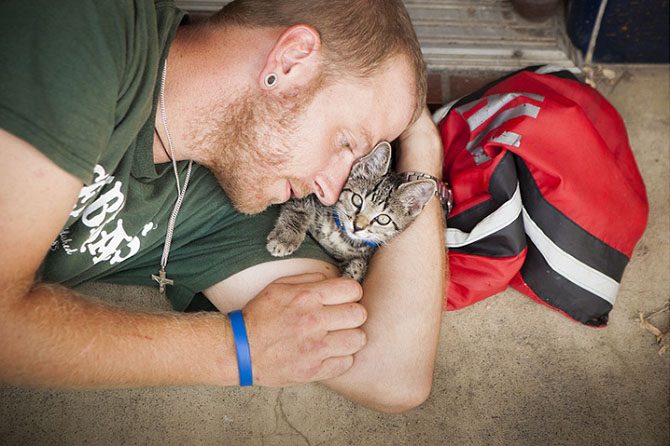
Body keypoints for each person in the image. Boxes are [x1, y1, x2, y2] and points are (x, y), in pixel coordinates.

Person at [0, 0, 445, 413]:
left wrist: (424, 153)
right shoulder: (86, 26)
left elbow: (390, 372)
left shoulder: (235, 194)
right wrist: (235, 349)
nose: (330, 193)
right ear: (289, 61)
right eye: (345, 142)